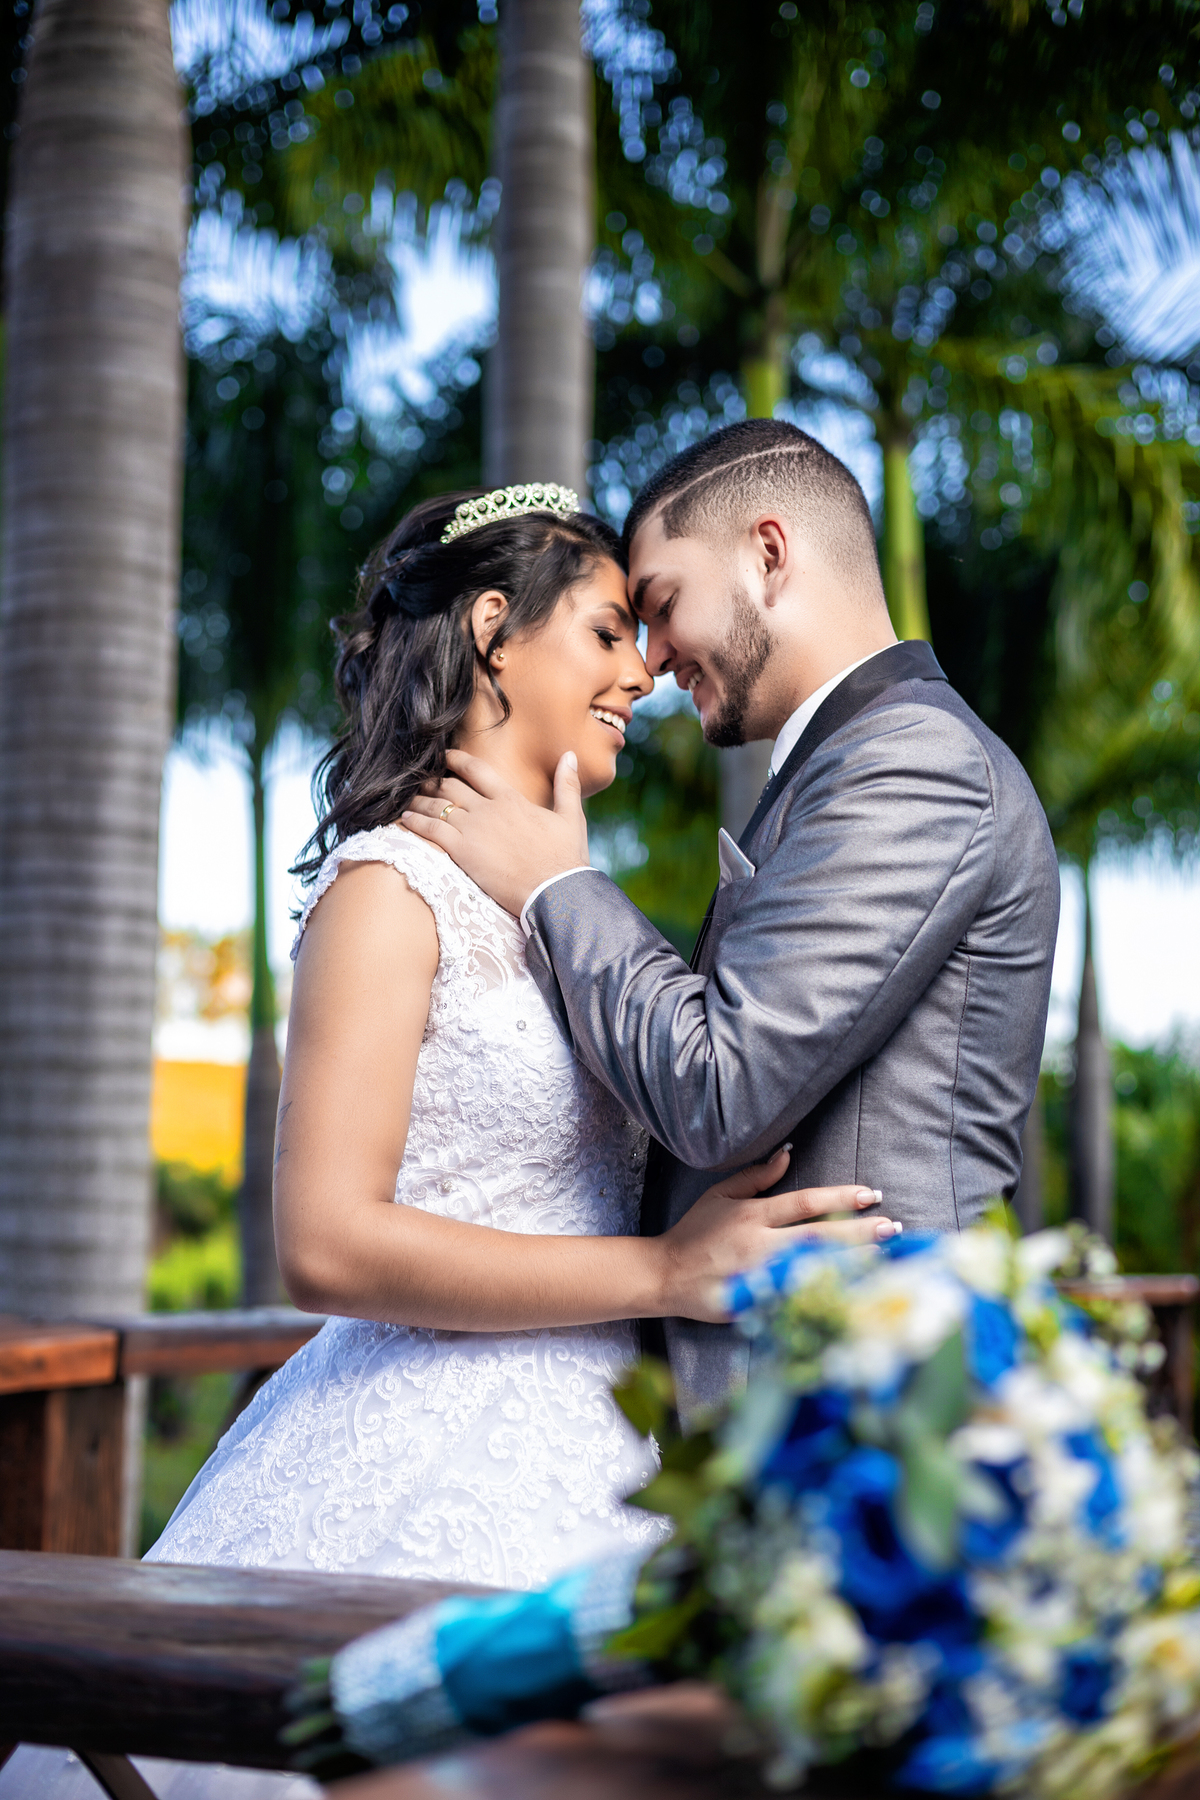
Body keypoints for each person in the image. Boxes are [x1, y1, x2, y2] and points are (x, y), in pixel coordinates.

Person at [143, 483, 896, 1592]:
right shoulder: (388, 889)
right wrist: (665, 1271)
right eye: (607, 633)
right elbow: (325, 1244)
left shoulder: (567, 913)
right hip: (425, 1452)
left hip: (605, 1445)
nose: (642, 674)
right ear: (493, 630)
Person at [400, 423, 1062, 1424]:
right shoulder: (839, 764)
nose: (654, 660)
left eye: (663, 606)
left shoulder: (914, 761)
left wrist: (559, 886)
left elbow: (723, 1088)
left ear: (768, 553)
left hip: (864, 1417)